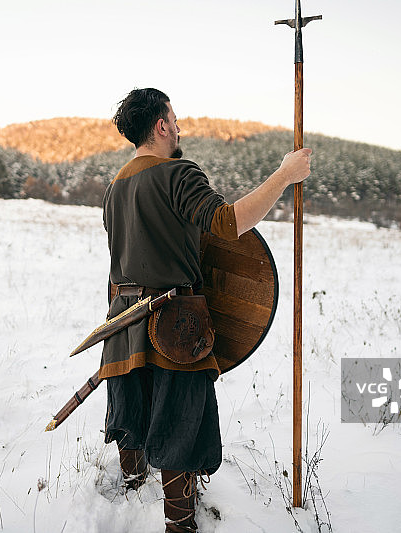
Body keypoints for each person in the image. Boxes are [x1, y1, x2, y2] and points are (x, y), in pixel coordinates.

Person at [100, 88, 311, 533]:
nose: (178, 127)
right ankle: (179, 524)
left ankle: (131, 489)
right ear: (160, 125)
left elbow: (119, 260)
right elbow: (229, 223)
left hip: (122, 320)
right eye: (174, 119)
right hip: (175, 322)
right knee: (179, 422)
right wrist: (284, 175)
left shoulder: (115, 186)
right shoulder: (178, 174)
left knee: (134, 410)